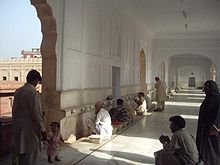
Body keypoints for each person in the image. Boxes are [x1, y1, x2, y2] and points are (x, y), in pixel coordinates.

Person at [12, 69, 46, 165]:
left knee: (21, 157)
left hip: (18, 128)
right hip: (30, 130)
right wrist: (43, 130)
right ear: (36, 80)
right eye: (38, 82)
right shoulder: (33, 93)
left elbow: (14, 110)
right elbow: (36, 114)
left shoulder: (18, 91)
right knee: (31, 158)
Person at [196, 80, 220, 165]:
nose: (205, 89)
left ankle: (213, 161)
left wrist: (215, 126)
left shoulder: (218, 99)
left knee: (212, 146)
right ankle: (203, 158)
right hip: (203, 127)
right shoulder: (207, 99)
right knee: (203, 143)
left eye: (207, 87)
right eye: (205, 87)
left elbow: (218, 114)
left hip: (212, 128)